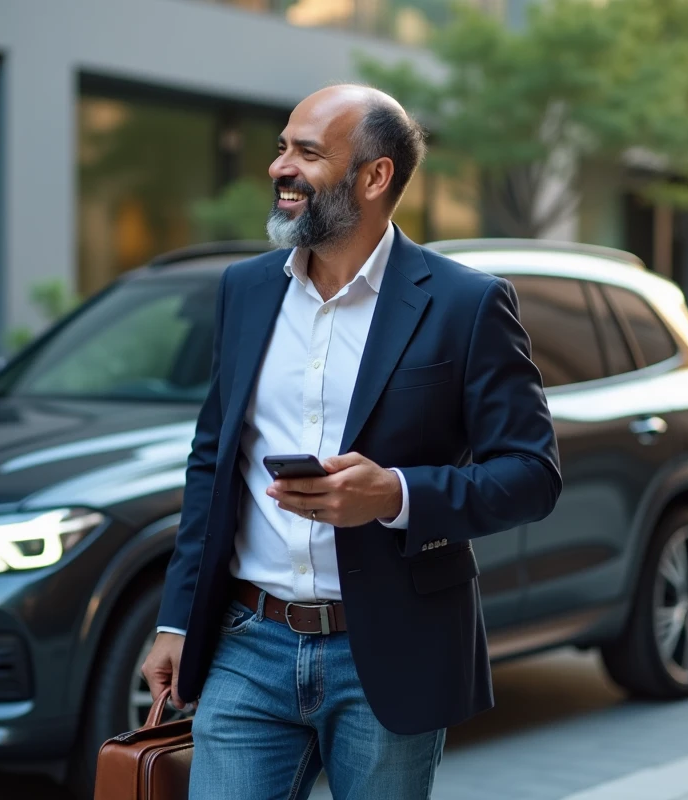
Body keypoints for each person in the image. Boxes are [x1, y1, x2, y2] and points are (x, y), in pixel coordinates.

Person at [141, 84, 562, 800]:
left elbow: (531, 473)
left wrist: (394, 495)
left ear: (374, 177)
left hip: (389, 651)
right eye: (281, 147)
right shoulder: (245, 290)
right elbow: (213, 461)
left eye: (307, 152)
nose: (280, 166)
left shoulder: (466, 303)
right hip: (248, 644)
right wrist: (179, 619)